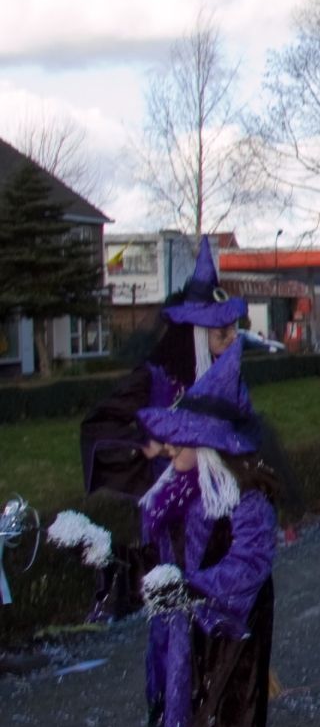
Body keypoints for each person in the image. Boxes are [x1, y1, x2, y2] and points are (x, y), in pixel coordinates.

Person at [137, 339, 278, 727]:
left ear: (212, 444)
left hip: (236, 633)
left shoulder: (246, 498)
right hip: (189, 633)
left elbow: (250, 563)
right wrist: (108, 557)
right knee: (192, 725)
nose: (169, 447)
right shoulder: (178, 493)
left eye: (182, 438)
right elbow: (155, 556)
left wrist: (194, 588)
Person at [80, 237, 246, 621]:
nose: (231, 342)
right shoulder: (154, 378)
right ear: (196, 333)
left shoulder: (229, 380)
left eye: (234, 332)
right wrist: (146, 441)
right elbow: (99, 425)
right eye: (221, 334)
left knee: (218, 624)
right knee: (176, 622)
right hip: (172, 522)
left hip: (221, 521)